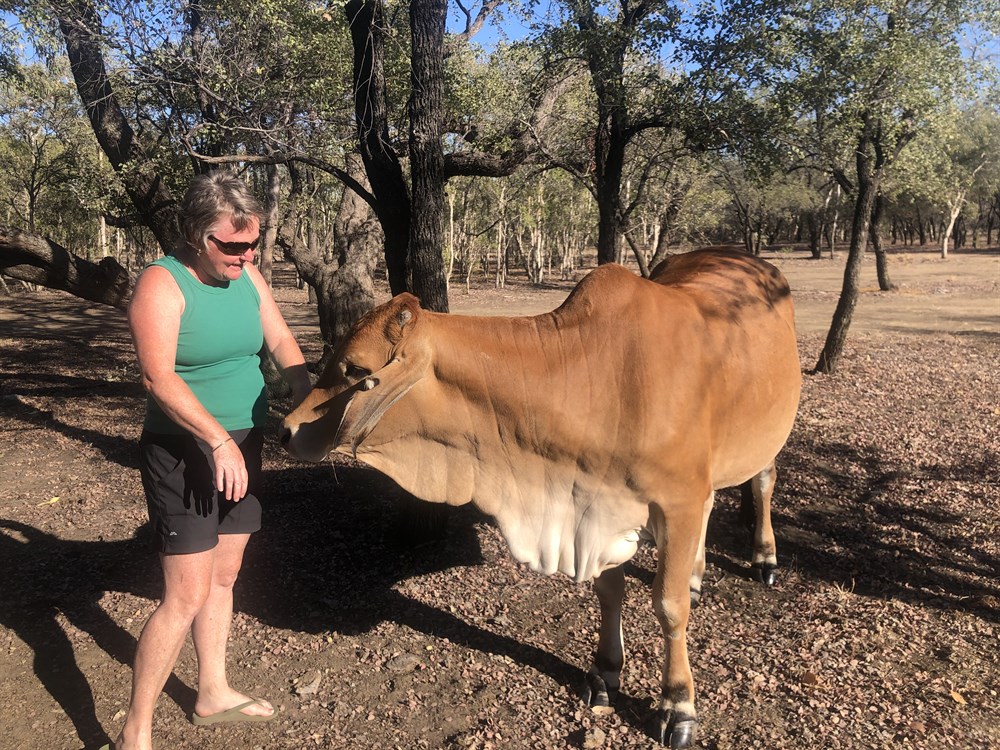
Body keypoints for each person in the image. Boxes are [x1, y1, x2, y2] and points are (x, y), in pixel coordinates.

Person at [103, 172, 312, 750]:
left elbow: (281, 341)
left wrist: (308, 398)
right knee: (185, 595)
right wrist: (218, 441)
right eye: (234, 245)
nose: (247, 256)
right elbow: (157, 377)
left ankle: (212, 691)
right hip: (185, 449)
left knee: (224, 575)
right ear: (198, 235)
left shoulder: (248, 277)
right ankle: (135, 731)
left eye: (254, 244)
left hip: (242, 444)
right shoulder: (161, 284)